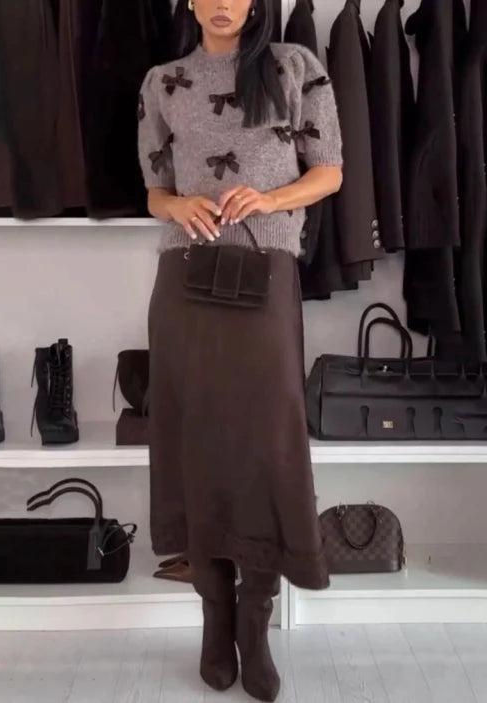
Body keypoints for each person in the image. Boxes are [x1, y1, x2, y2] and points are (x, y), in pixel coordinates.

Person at [138, 1, 343, 700]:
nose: (223, 2)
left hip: (265, 277)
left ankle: (254, 624)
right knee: (193, 441)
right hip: (185, 281)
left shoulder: (293, 68)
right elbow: (154, 191)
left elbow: (330, 173)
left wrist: (271, 197)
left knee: (263, 447)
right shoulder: (163, 81)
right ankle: (213, 616)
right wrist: (177, 206)